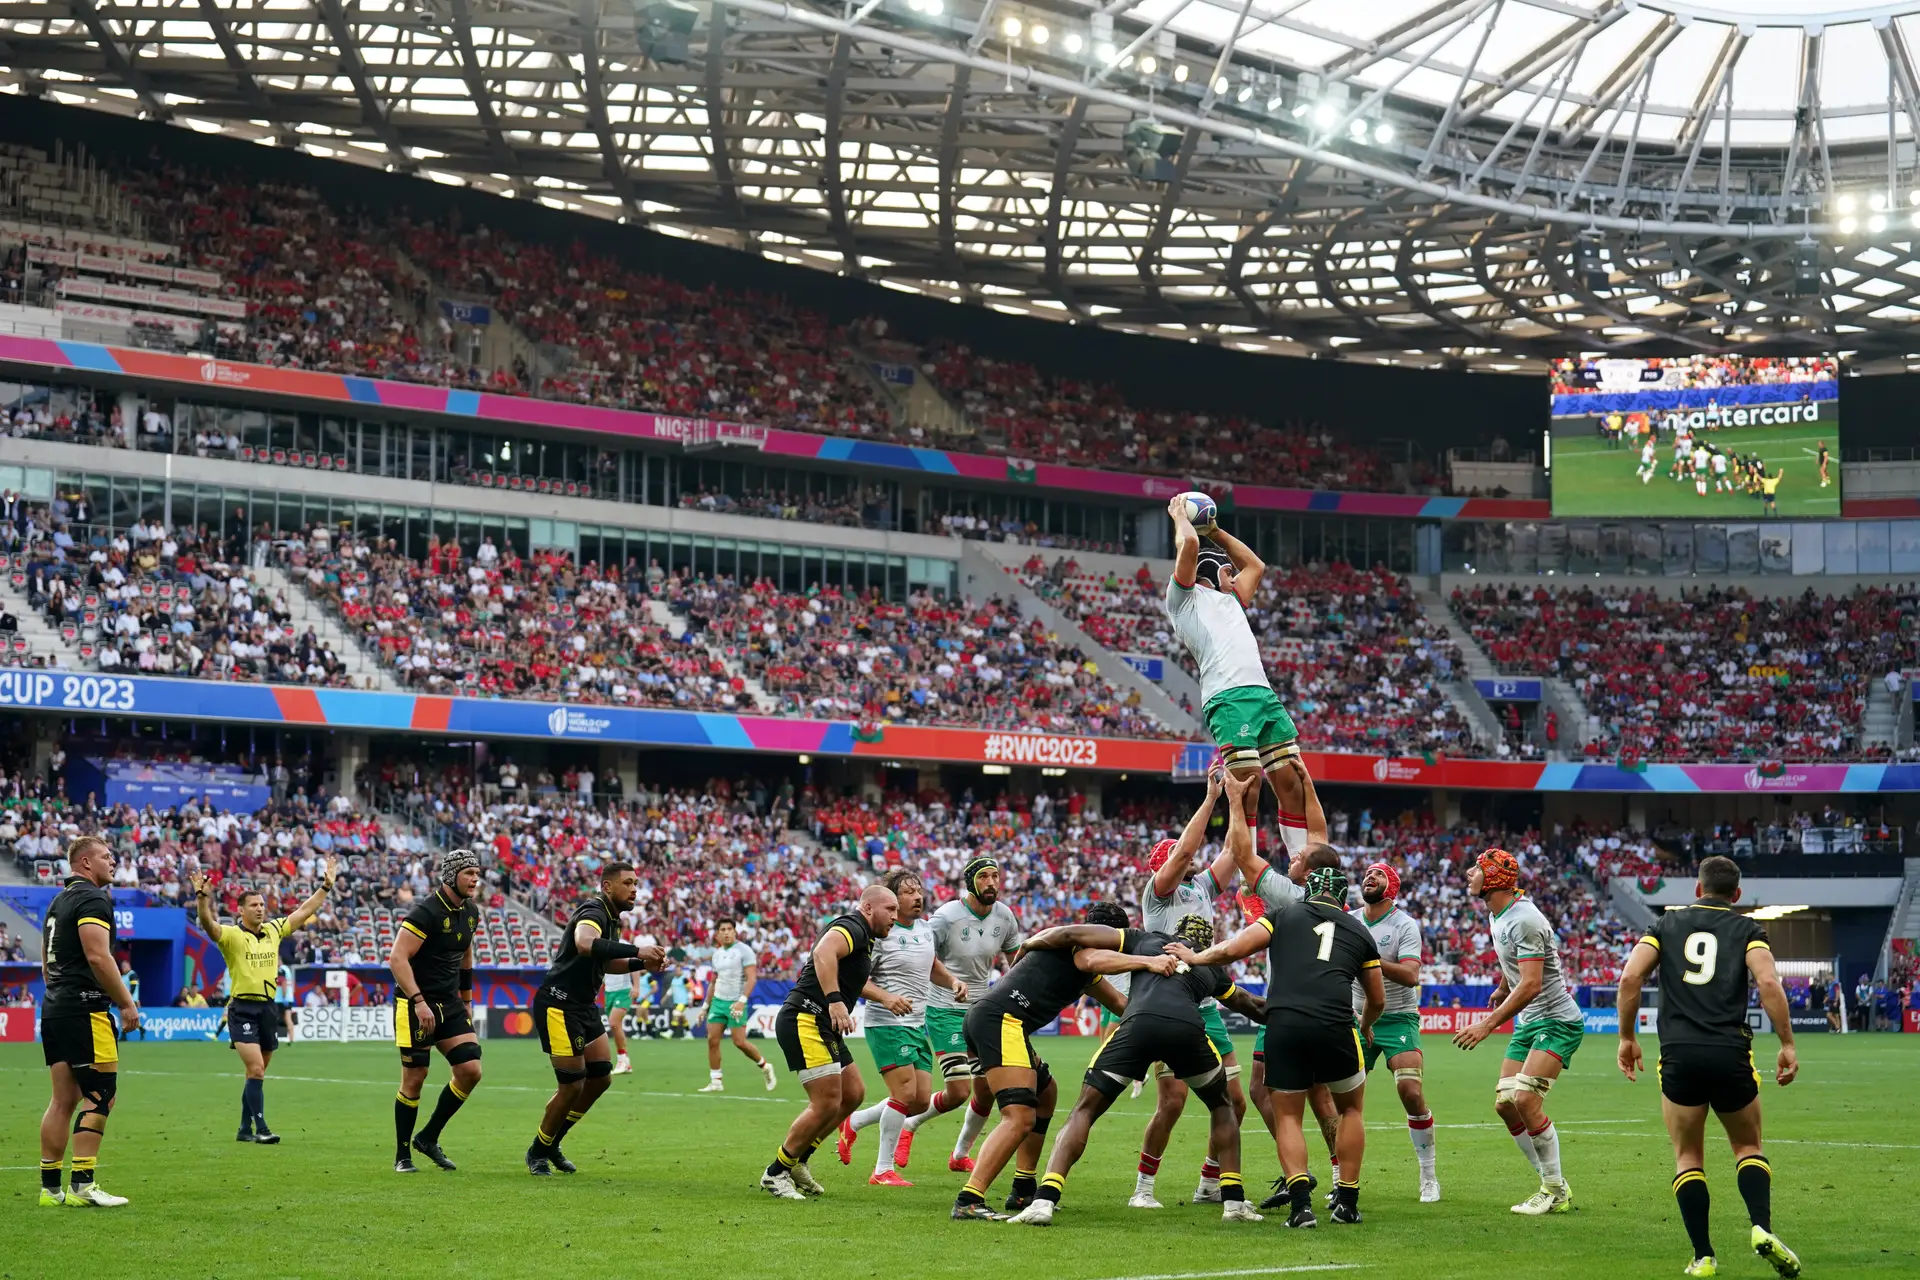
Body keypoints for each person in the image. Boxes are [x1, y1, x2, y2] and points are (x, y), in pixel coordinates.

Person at [1172, 842, 1383, 1228]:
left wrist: (1195, 957)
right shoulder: (1359, 930)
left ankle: (1301, 1206)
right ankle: (1347, 1202)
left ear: (1310, 886)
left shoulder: (1283, 914)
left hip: (1284, 1023)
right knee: (1350, 1110)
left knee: (1287, 1116)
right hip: (1337, 1024)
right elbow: (1377, 999)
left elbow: (1232, 950)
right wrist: (1366, 1026)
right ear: (1342, 896)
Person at [1009, 913, 1268, 1226]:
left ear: (1176, 931)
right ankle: (1234, 1202)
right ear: (1207, 943)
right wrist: (1290, 1012)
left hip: (1138, 1024)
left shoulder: (1146, 939)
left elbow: (1068, 934)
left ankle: (1044, 1201)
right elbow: (1248, 1004)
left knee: (1085, 1109)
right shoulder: (1208, 965)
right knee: (1222, 1105)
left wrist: (1029, 941)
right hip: (1186, 1030)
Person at [1616, 855, 1803, 1279]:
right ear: (1735, 895)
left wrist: (1627, 1038)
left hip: (1679, 1054)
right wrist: (1787, 1043)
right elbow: (1769, 983)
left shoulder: (1664, 925)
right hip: (1730, 1051)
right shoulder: (1748, 930)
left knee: (1687, 1156)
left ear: (1697, 890)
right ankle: (1761, 1228)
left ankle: (1703, 1257)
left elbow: (1630, 979)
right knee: (1748, 1147)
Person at [949, 902, 1166, 1221]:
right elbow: (1091, 957)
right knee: (1019, 1117)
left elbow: (1120, 1003)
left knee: (1046, 1093)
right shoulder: (1083, 950)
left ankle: (1023, 1189)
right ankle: (970, 1198)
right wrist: (1149, 961)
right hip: (1002, 1021)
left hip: (994, 1020)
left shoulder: (1075, 959)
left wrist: (1162, 1023)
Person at [1163, 495, 1327, 857]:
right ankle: (1248, 878)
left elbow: (1256, 565)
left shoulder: (1232, 598)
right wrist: (1181, 516)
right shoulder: (1183, 600)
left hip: (1262, 695)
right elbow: (1190, 543)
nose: (1234, 573)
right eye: (1227, 571)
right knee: (1248, 789)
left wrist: (1216, 531)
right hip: (1228, 697)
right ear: (1216, 573)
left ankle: (1302, 869)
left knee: (1291, 782)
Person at [1131, 761, 1247, 1210]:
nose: (1191, 859)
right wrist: (1210, 799)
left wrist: (1240, 800)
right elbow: (1182, 853)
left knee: (1235, 1101)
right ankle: (1143, 1187)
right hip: (1166, 1002)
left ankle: (1209, 1181)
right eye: (1181, 856)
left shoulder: (1200, 887)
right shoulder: (1156, 893)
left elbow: (1236, 853)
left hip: (1205, 1007)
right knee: (1173, 1103)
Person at [1452, 847, 1584, 1216]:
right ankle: (1550, 1180)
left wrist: (1487, 1024)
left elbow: (1531, 985)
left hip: (1557, 1021)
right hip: (1530, 1023)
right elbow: (1517, 967)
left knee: (1526, 1100)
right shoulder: (1501, 913)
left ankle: (1554, 1190)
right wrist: (1502, 984)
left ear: (1493, 879)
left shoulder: (1523, 918)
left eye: (1476, 869)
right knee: (1505, 1104)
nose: (1468, 873)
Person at [761, 884, 900, 1200]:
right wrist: (835, 1001)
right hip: (806, 1018)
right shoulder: (852, 926)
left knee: (853, 1094)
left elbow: (852, 978)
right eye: (890, 909)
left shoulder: (864, 939)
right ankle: (776, 1172)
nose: (895, 915)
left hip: (823, 1023)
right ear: (868, 908)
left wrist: (885, 997)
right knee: (826, 1101)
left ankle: (799, 1160)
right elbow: (823, 952)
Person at [527, 863, 666, 1175]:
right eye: (627, 883)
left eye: (636, 883)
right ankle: (538, 1150)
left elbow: (604, 962)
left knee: (601, 1076)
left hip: (584, 1006)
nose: (634, 889)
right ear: (607, 887)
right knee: (572, 1086)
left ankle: (551, 1143)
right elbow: (585, 944)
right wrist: (639, 950)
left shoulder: (612, 919)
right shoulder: (594, 910)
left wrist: (639, 963)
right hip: (559, 1005)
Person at [191, 861, 336, 1143]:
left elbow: (305, 910)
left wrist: (326, 886)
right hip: (242, 1009)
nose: (260, 908)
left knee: (256, 1072)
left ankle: (244, 1129)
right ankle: (262, 1129)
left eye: (262, 904)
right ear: (241, 911)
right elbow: (207, 923)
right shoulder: (232, 936)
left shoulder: (273, 931)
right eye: (254, 905)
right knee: (256, 1069)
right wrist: (202, 898)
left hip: (268, 1008)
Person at [837, 869, 965, 1186]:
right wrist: (886, 997)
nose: (917, 896)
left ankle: (854, 1121)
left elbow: (931, 964)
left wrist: (951, 980)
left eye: (918, 890)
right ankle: (882, 1170)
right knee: (904, 1092)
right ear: (891, 900)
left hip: (917, 1024)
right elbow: (853, 979)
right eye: (908, 892)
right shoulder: (878, 936)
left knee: (919, 1101)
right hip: (887, 1023)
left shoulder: (924, 929)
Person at [904, 855, 1025, 1173]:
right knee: (959, 1091)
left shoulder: (1004, 916)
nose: (992, 883)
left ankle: (959, 1155)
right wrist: (949, 982)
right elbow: (923, 958)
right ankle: (911, 1124)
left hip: (981, 1010)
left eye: (996, 877)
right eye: (984, 877)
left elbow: (1017, 960)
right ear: (971, 881)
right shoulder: (946, 917)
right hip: (944, 1008)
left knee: (985, 1091)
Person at [38, 835, 140, 1206]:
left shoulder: (57, 902)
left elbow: (47, 965)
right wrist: (126, 1004)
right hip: (86, 1009)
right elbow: (98, 957)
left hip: (55, 1007)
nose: (113, 862)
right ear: (85, 863)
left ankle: (51, 1190)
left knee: (62, 1099)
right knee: (101, 1095)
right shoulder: (92, 897)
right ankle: (82, 1185)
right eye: (106, 856)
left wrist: (59, 994)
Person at [387, 848, 484, 1174]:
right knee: (415, 1078)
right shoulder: (424, 912)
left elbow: (465, 955)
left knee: (471, 1069)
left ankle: (428, 1137)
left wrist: (467, 1000)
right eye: (468, 873)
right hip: (415, 1004)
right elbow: (397, 959)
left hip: (450, 1003)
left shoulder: (471, 912)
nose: (475, 879)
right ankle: (402, 1155)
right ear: (451, 875)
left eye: (476, 873)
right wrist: (419, 1002)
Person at [1352, 860, 1440, 1202]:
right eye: (1367, 874)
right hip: (1356, 1017)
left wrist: (1369, 958)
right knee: (1342, 1100)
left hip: (1398, 1017)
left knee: (1411, 1093)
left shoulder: (1405, 925)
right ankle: (1341, 1180)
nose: (1369, 877)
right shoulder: (1351, 920)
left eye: (1378, 874)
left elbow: (1410, 975)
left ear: (1391, 886)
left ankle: (1428, 1175)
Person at [699, 919, 775, 1092]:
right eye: (722, 929)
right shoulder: (717, 954)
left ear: (735, 932)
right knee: (712, 1040)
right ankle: (716, 1081)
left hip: (735, 1002)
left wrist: (741, 1001)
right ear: (717, 934)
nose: (726, 932)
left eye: (729, 929)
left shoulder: (744, 951)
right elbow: (713, 982)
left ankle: (765, 1066)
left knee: (739, 1042)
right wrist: (705, 1007)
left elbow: (752, 978)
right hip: (718, 1001)